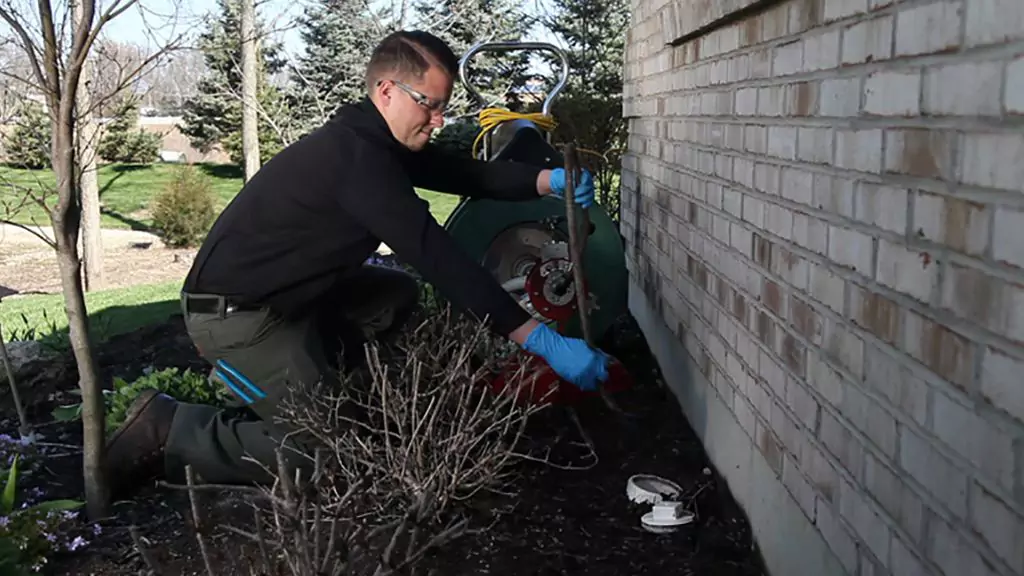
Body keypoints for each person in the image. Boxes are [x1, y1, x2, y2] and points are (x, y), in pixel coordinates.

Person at [101, 30, 610, 500]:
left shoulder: (373, 140)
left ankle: (328, 391)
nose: (438, 120)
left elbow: (457, 173)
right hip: (238, 317)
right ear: (387, 90)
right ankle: (171, 429)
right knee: (326, 455)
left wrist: (545, 182)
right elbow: (438, 257)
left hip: (298, 298)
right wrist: (541, 341)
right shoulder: (358, 163)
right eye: (430, 106)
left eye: (443, 107)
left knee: (393, 297)